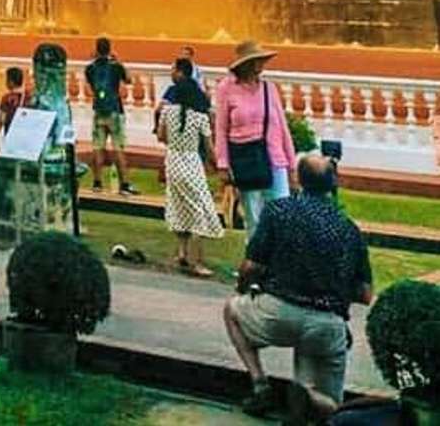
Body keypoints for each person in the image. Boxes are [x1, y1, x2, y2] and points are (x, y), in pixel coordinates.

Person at [223, 152, 373, 420]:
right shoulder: (350, 230)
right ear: (333, 184)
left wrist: (244, 289)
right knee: (330, 407)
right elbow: (365, 294)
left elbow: (251, 267)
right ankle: (313, 398)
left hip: (278, 312)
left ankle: (261, 385)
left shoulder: (279, 211)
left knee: (232, 311)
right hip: (328, 323)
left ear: (297, 179)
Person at [216, 40, 295, 234]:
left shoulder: (269, 88)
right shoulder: (226, 88)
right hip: (246, 159)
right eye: (256, 61)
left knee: (282, 214)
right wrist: (223, 164)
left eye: (262, 61)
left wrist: (291, 163)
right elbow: (221, 127)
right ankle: (255, 259)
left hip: (275, 158)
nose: (260, 66)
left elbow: (282, 126)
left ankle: (277, 260)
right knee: (254, 218)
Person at [156, 57, 221, 276]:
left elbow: (161, 137)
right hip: (191, 162)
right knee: (199, 210)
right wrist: (217, 164)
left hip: (172, 161)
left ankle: (182, 253)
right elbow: (209, 148)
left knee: (178, 206)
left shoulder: (168, 113)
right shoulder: (200, 117)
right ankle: (197, 261)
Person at [85, 36, 137, 194]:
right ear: (109, 49)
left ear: (96, 49)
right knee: (118, 147)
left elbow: (90, 89)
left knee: (97, 147)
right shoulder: (115, 67)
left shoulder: (90, 68)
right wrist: (118, 60)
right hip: (115, 109)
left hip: (98, 110)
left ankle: (97, 182)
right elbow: (129, 80)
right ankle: (124, 184)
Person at [0, 65, 28, 154]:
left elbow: (1, 120)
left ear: (11, 82)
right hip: (25, 139)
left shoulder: (7, 98)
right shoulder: (28, 97)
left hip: (10, 139)